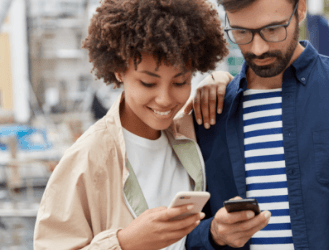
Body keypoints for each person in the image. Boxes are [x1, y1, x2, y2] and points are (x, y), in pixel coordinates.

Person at [33, 0, 232, 249]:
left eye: (180, 82)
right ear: (118, 70)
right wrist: (125, 242)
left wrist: (221, 79)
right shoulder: (87, 157)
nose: (165, 99)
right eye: (148, 83)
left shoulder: (190, 131)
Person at [182, 0, 329, 249]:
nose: (258, 49)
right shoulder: (210, 112)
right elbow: (180, 232)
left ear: (300, 9)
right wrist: (213, 234)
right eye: (241, 32)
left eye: (272, 29)